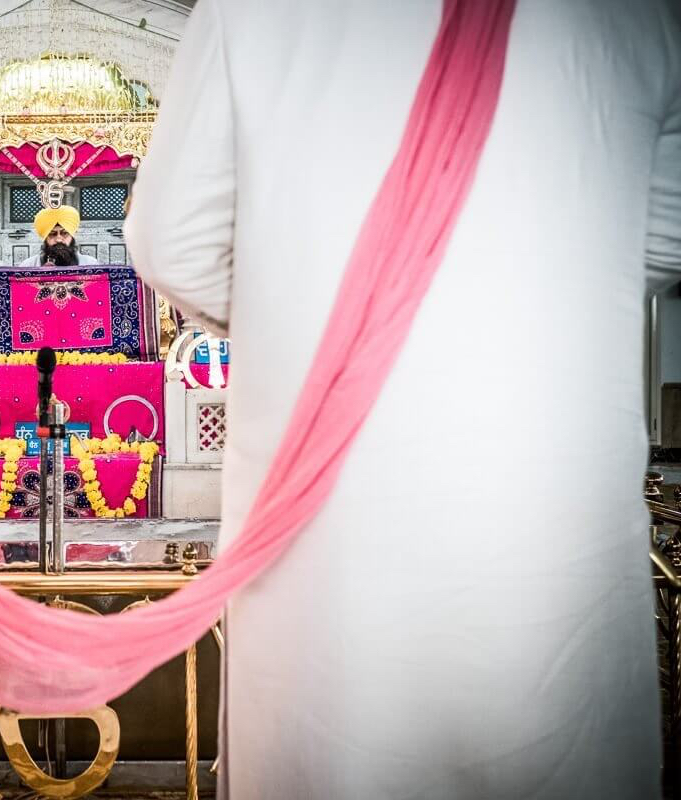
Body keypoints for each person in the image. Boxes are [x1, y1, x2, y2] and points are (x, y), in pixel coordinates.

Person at [126, 0, 681, 797]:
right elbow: (658, 239)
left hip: (332, 570)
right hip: (551, 567)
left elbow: (171, 240)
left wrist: (311, 320)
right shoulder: (635, 13)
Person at [17, 205, 99, 267]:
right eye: (52, 234)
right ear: (45, 237)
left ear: (72, 235)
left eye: (64, 233)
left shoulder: (90, 264)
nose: (59, 239)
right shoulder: (29, 266)